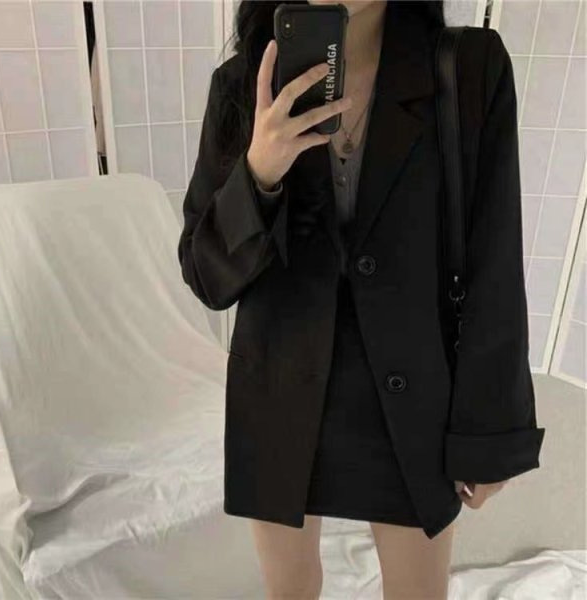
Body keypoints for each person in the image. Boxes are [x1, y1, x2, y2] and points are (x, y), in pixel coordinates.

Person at [178, 1, 546, 598]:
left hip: (411, 398)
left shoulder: (467, 69)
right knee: (290, 590)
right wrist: (258, 174)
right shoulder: (243, 85)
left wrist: (491, 431)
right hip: (280, 394)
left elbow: (494, 261)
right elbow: (206, 276)